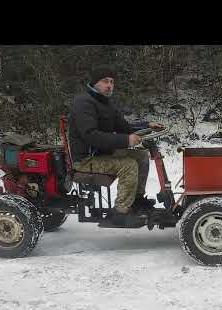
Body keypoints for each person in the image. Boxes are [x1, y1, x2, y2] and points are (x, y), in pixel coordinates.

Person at [68, 65, 164, 226]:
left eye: (112, 82)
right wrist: (125, 141)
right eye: (105, 81)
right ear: (94, 83)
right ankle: (121, 211)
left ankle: (136, 200)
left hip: (102, 155)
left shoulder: (105, 104)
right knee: (128, 165)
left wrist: (147, 126)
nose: (109, 85)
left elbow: (124, 127)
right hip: (86, 159)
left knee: (141, 156)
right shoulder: (83, 103)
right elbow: (91, 136)